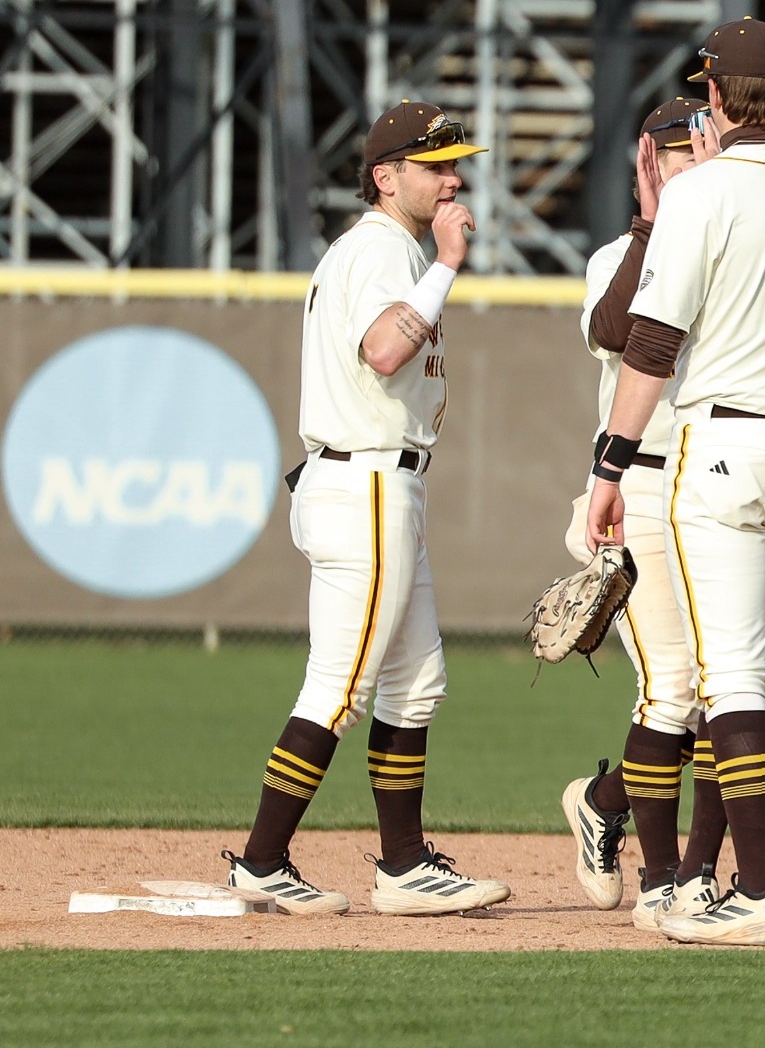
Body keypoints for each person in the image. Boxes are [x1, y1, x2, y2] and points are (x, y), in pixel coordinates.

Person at [585, 18, 765, 947]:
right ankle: (701, 871)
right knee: (727, 675)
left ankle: (758, 890)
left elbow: (652, 344)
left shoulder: (701, 196)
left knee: (726, 678)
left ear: (712, 95)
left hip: (726, 448)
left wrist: (610, 464)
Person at [222, 101, 510, 916]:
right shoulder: (385, 248)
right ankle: (262, 858)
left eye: (455, 161)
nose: (453, 176)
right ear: (387, 177)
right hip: (368, 482)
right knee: (342, 685)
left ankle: (405, 864)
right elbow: (386, 349)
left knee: (415, 685)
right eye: (435, 164)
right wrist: (448, 263)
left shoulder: (385, 250)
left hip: (380, 480)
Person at [558, 97, 731, 931]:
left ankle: (609, 804)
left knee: (725, 689)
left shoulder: (742, 253)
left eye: (703, 146)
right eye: (674, 150)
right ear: (647, 162)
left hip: (726, 485)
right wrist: (653, 226)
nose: (689, 159)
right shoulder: (618, 254)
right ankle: (666, 877)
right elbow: (616, 330)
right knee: (676, 686)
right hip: (640, 488)